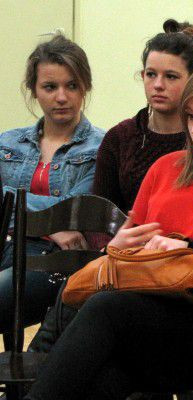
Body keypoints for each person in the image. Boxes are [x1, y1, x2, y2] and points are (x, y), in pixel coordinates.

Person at [26, 56, 193, 400]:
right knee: (104, 374)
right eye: (191, 116)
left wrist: (192, 251)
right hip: (146, 308)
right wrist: (117, 247)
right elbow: (127, 255)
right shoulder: (167, 168)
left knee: (105, 311)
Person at [0, 34, 104, 334]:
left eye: (71, 85)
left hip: (54, 260)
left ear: (85, 87)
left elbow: (76, 209)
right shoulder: (8, 143)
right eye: (50, 87)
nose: (61, 97)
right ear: (34, 90)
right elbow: (61, 214)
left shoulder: (102, 147)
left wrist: (12, 200)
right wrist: (53, 225)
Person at [93, 19, 193, 211]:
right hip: (126, 231)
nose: (158, 85)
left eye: (171, 76)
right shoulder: (119, 138)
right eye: (151, 74)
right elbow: (100, 214)